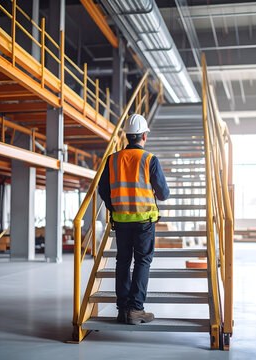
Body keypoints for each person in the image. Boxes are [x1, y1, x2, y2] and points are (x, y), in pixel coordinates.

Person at [98, 113, 169, 325]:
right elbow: (163, 193)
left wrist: (114, 207)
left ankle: (122, 310)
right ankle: (136, 309)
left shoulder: (112, 159)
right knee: (142, 261)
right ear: (144, 136)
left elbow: (103, 190)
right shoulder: (149, 160)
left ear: (127, 136)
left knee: (122, 262)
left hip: (121, 220)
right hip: (144, 221)